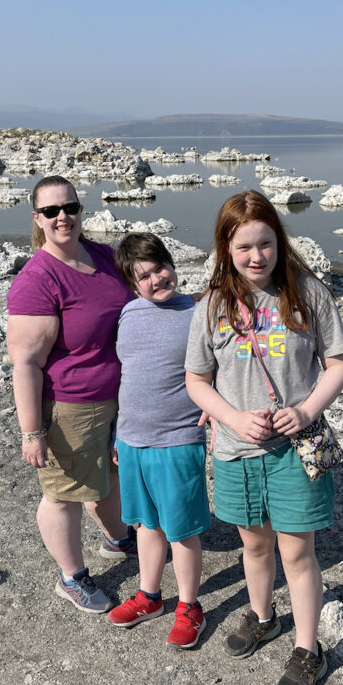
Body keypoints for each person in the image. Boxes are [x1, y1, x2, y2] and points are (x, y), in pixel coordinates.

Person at [184, 190, 343, 685]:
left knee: (297, 553)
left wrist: (305, 410)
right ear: (225, 249)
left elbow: (338, 364)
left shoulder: (308, 293)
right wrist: (231, 417)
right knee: (252, 544)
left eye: (266, 244)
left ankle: (308, 648)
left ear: (280, 240)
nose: (257, 256)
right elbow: (196, 379)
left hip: (294, 449)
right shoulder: (212, 304)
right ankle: (263, 618)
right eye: (244, 248)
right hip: (235, 450)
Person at [6, 175, 137, 615]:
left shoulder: (101, 255)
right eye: (51, 211)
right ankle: (72, 577)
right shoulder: (37, 279)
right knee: (63, 494)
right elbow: (25, 362)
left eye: (71, 208)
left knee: (109, 477)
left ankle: (118, 539)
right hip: (70, 405)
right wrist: (31, 432)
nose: (63, 217)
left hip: (119, 396)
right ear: (37, 219)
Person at [107, 233, 212, 648]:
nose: (156, 279)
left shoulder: (199, 312)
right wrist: (118, 432)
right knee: (146, 524)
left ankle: (190, 606)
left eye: (160, 267)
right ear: (133, 286)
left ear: (173, 262)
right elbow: (127, 377)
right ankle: (150, 595)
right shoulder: (129, 314)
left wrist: (216, 406)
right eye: (144, 276)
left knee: (181, 530)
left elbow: (220, 362)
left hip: (178, 439)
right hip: (132, 439)